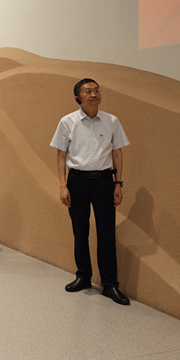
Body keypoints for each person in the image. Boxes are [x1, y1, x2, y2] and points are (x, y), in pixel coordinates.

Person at [50, 78, 131, 305]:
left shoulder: (111, 121)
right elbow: (61, 156)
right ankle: (83, 276)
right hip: (77, 181)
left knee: (107, 232)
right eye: (88, 91)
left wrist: (118, 183)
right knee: (80, 231)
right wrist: (62, 185)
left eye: (97, 90)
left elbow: (117, 153)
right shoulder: (67, 121)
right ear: (78, 97)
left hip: (104, 182)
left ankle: (110, 284)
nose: (94, 94)